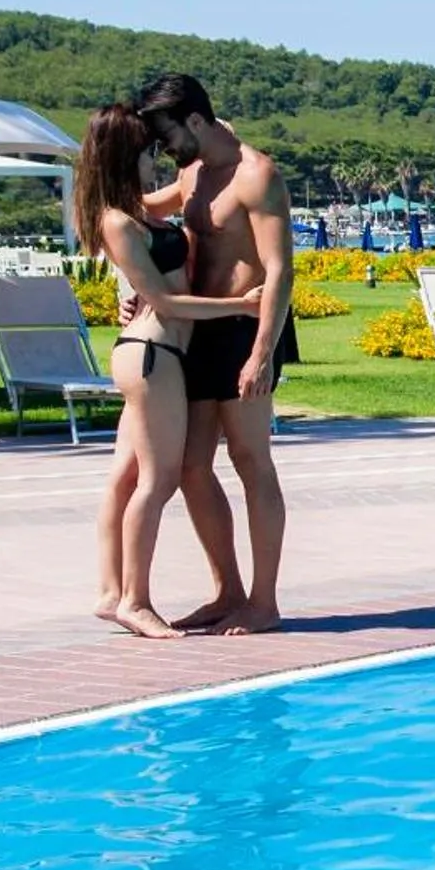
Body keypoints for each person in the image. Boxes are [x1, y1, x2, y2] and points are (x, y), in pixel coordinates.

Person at [74, 103, 264, 640]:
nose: (154, 160)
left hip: (150, 352)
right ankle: (135, 600)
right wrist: (240, 307)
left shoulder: (131, 211)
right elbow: (168, 302)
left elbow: (217, 150)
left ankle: (112, 592)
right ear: (122, 157)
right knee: (156, 481)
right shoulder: (117, 221)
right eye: (145, 152)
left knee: (129, 476)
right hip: (155, 355)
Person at [135, 72, 295, 636]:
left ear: (196, 121)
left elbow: (280, 270)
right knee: (190, 466)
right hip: (199, 328)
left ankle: (264, 601)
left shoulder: (258, 176)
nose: (164, 148)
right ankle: (227, 589)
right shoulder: (193, 171)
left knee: (252, 462)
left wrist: (261, 353)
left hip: (246, 328)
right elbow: (143, 212)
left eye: (167, 135)